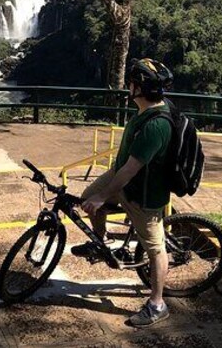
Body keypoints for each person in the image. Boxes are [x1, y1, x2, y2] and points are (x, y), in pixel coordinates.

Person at [74, 58, 174, 328]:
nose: (128, 86)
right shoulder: (144, 110)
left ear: (139, 88)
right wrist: (97, 196)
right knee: (87, 197)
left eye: (132, 83)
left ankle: (157, 304)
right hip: (123, 179)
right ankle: (102, 240)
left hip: (143, 194)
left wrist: (103, 196)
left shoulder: (156, 125)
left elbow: (131, 169)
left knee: (155, 248)